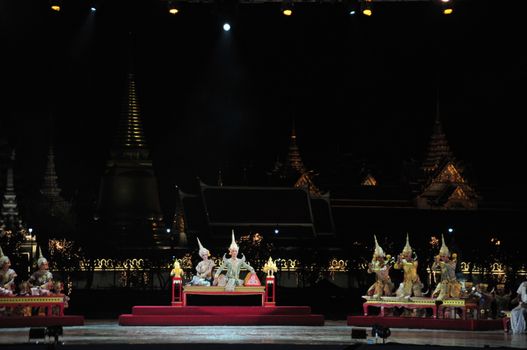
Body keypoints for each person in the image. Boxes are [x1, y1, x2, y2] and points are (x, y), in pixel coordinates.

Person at [431, 235, 461, 301]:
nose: (442, 258)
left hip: (453, 285)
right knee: (435, 297)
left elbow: (449, 267)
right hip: (443, 284)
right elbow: (433, 269)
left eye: (444, 256)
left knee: (454, 300)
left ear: (448, 256)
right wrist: (435, 262)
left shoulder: (453, 263)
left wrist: (439, 262)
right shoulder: (442, 263)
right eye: (441, 256)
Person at [394, 234, 423, 299]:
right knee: (404, 297)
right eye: (405, 255)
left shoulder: (415, 261)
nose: (406, 257)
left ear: (410, 254)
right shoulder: (403, 261)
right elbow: (396, 267)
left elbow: (412, 266)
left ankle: (419, 308)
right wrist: (398, 261)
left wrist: (403, 261)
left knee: (417, 296)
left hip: (415, 280)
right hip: (406, 281)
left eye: (407, 255)